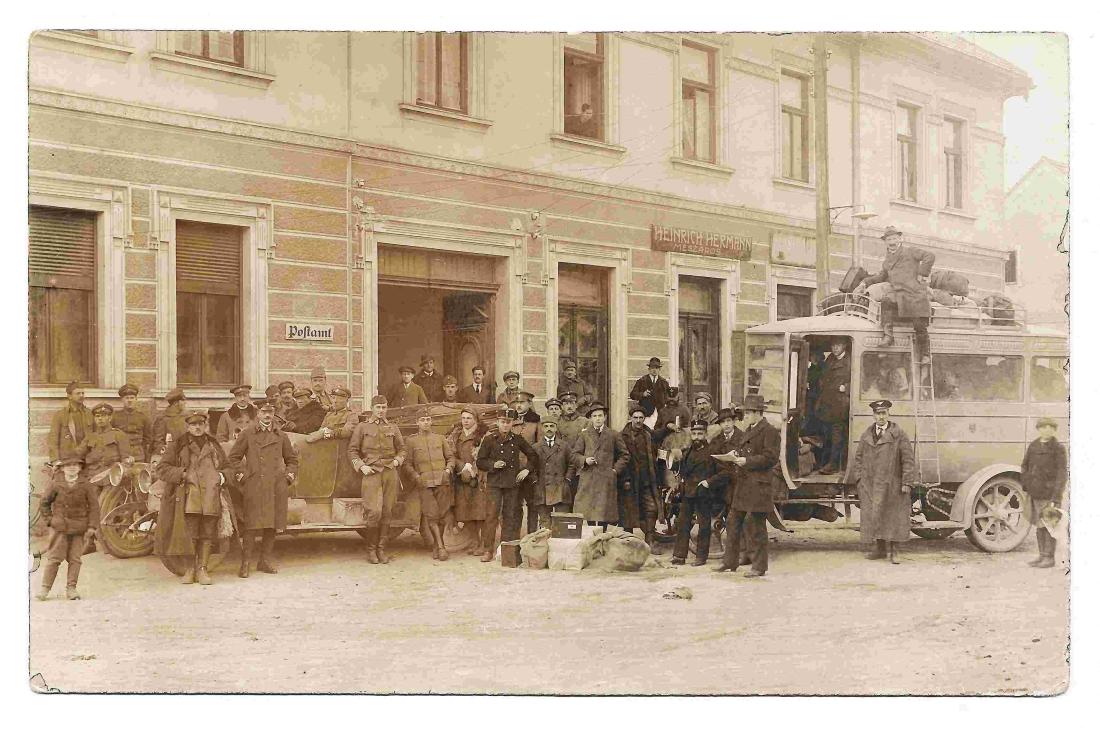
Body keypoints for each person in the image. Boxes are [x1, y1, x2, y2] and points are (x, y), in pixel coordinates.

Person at [156, 410, 230, 585]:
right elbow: (162, 469)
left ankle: (202, 569)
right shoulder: (178, 445)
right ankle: (190, 568)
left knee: (207, 534)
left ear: (205, 426)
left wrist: (221, 477)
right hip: (189, 498)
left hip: (211, 497)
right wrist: (182, 473)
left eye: (201, 424)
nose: (197, 428)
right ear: (188, 426)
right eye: (194, 424)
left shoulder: (214, 445)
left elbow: (228, 467)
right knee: (190, 534)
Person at [228, 399, 299, 576]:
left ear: (274, 414)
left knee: (272, 525)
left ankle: (264, 561)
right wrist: (243, 476)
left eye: (270, 412)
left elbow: (292, 460)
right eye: (264, 412)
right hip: (254, 485)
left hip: (276, 486)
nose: (267, 415)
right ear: (258, 413)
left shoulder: (281, 436)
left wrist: (288, 477)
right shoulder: (248, 434)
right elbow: (233, 458)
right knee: (251, 526)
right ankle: (245, 563)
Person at [846, 399, 916, 565]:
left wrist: (907, 481)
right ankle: (880, 549)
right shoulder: (867, 435)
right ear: (874, 415)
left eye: (883, 413)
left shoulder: (899, 435)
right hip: (870, 485)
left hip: (892, 484)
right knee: (874, 516)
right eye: (878, 414)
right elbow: (859, 458)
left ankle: (895, 552)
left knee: (893, 517)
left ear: (888, 414)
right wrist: (859, 479)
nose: (881, 417)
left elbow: (908, 460)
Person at [716, 394, 778, 578]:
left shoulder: (769, 431)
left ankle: (759, 567)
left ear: (758, 412)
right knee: (733, 522)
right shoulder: (750, 429)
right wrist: (736, 455)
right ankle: (730, 562)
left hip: (759, 485)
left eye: (748, 412)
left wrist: (746, 460)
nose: (745, 416)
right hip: (744, 485)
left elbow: (770, 458)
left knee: (755, 525)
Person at [855, 226, 936, 362]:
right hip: (898, 296)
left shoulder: (910, 252)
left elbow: (930, 256)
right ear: (885, 242)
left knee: (918, 324)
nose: (892, 242)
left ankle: (925, 353)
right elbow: (881, 276)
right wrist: (864, 282)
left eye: (894, 238)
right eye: (888, 239)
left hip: (914, 294)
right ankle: (888, 336)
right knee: (886, 301)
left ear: (900, 239)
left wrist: (922, 274)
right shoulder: (887, 261)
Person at [348, 395, 406, 564]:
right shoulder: (362, 427)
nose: (381, 411)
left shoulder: (393, 427)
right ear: (372, 408)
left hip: (389, 471)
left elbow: (402, 449)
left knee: (388, 511)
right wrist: (361, 466)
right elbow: (352, 450)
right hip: (371, 472)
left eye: (384, 407)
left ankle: (382, 550)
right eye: (378, 407)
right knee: (374, 512)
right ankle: (371, 550)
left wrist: (397, 460)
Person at [476, 409, 539, 561]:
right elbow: (480, 462)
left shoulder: (517, 439)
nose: (505, 425)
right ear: (497, 422)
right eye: (502, 422)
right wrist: (493, 464)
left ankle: (506, 549)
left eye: (508, 422)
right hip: (495, 484)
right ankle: (488, 550)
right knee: (491, 516)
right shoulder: (490, 439)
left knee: (510, 516)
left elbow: (533, 456)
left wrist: (526, 470)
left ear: (512, 423)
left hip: (512, 483)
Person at [36, 456, 101, 601]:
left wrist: (91, 526)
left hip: (79, 528)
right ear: (63, 468)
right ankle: (44, 589)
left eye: (75, 465)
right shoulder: (55, 484)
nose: (72, 467)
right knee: (54, 558)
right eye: (68, 465)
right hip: (59, 527)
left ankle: (71, 589)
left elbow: (94, 507)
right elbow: (44, 503)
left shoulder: (86, 484)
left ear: (80, 468)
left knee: (75, 559)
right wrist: (50, 520)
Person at [406, 408, 456, 561]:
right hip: (424, 484)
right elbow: (407, 464)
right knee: (432, 516)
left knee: (442, 515)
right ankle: (441, 547)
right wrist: (416, 476)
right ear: (417, 423)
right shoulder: (411, 441)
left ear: (431, 421)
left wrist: (447, 470)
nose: (425, 423)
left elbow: (450, 457)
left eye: (428, 420)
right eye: (422, 420)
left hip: (442, 481)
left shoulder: (440, 438)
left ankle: (436, 546)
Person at [1021, 417, 1067, 569]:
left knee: (1049, 524)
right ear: (1038, 429)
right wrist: (1026, 483)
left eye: (1050, 427)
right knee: (1039, 524)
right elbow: (1025, 465)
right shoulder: (1033, 446)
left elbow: (1062, 473)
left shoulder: (1058, 448)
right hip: (1035, 492)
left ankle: (1049, 557)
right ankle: (1041, 555)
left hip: (1049, 493)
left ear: (1054, 430)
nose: (1046, 430)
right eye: (1043, 427)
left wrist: (1056, 496)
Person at [670, 420, 718, 566]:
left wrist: (708, 482)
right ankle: (679, 556)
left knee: (704, 525)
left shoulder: (712, 451)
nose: (697, 437)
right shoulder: (688, 451)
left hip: (703, 492)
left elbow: (723, 472)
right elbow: (682, 470)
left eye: (700, 434)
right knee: (683, 523)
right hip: (688, 492)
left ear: (706, 434)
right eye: (694, 434)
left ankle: (701, 557)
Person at [616, 405, 661, 552]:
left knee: (651, 509)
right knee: (628, 512)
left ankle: (649, 540)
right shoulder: (622, 436)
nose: (638, 421)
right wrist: (624, 480)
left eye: (641, 418)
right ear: (630, 418)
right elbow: (619, 459)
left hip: (646, 480)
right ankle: (629, 544)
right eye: (635, 418)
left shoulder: (647, 435)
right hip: (629, 481)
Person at [571, 403, 622, 531]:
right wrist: (585, 460)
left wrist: (615, 470)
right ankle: (593, 537)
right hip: (588, 478)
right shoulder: (584, 435)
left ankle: (602, 537)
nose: (598, 419)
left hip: (605, 479)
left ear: (605, 417)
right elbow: (574, 455)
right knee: (589, 511)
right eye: (595, 416)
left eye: (600, 416)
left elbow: (624, 455)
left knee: (603, 512)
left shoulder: (613, 434)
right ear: (591, 418)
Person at [449, 407, 490, 556]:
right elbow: (451, 454)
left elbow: (486, 455)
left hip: (479, 478)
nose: (465, 421)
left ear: (476, 420)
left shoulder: (484, 435)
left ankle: (483, 543)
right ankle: (473, 541)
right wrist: (462, 467)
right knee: (466, 510)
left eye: (469, 418)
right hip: (462, 476)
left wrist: (474, 470)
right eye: (463, 418)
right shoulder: (456, 435)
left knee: (480, 511)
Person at [77, 403, 135, 501]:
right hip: (94, 476)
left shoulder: (118, 435)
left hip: (111, 478)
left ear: (110, 418)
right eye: (97, 416)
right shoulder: (91, 436)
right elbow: (78, 452)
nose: (100, 419)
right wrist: (61, 460)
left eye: (104, 416)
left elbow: (126, 460)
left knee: (105, 503)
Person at [532, 415, 576, 528]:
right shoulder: (536, 447)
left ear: (556, 428)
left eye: (552, 426)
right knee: (545, 523)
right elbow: (530, 467)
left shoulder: (564, 446)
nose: (549, 429)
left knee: (562, 523)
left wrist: (567, 479)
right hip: (542, 489)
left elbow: (572, 464)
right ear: (542, 428)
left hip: (561, 488)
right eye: (546, 426)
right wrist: (535, 481)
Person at [815, 339, 851, 475]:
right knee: (827, 435)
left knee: (837, 436)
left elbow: (862, 377)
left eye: (838, 345)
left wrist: (846, 387)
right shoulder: (830, 358)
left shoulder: (851, 361)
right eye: (833, 345)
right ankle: (826, 462)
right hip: (827, 404)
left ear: (844, 345)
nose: (835, 348)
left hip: (840, 405)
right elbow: (823, 376)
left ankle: (834, 465)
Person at [511, 390, 542, 534]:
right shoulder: (511, 421)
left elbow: (539, 449)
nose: (518, 405)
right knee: (514, 506)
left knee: (532, 506)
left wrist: (529, 469)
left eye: (522, 402)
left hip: (530, 471)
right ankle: (514, 538)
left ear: (529, 404)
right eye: (517, 402)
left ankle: (531, 537)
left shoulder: (536, 422)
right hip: (513, 471)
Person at [47, 380, 93, 468]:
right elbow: (53, 439)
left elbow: (94, 435)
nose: (81, 396)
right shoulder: (60, 415)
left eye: (83, 393)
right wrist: (55, 460)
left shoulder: (90, 414)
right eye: (78, 393)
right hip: (67, 460)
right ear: (69, 396)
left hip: (87, 458)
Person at [112, 383, 153, 462]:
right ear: (122, 400)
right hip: (120, 455)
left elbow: (148, 439)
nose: (129, 400)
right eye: (127, 398)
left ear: (136, 399)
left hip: (138, 456)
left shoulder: (143, 418)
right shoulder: (115, 417)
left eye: (132, 398)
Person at [152, 388, 190, 460]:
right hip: (170, 458)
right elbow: (157, 443)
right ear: (176, 403)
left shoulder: (186, 418)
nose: (185, 403)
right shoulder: (163, 419)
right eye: (182, 400)